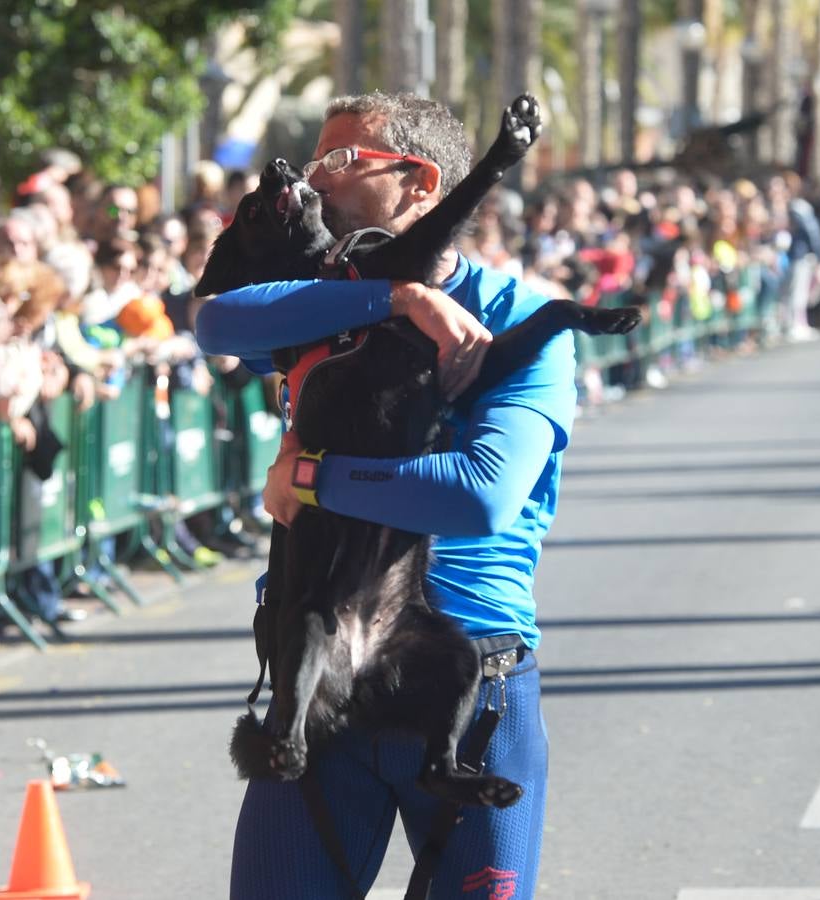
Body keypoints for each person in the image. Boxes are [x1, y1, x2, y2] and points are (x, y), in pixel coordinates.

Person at [195, 92, 569, 900]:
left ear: (420, 184)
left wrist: (312, 478)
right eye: (316, 161)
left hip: (462, 676)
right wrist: (398, 298)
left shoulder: (518, 316)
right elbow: (215, 324)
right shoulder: (323, 303)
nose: (316, 180)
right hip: (318, 674)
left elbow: (479, 496)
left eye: (340, 161)